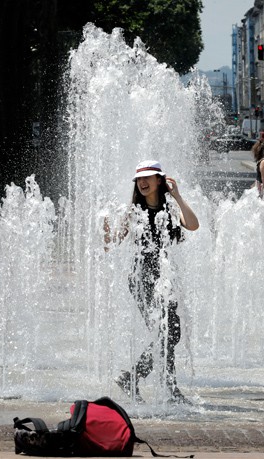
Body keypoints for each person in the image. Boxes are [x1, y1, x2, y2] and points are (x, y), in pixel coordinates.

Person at [105, 160, 199, 404]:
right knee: (167, 332)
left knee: (169, 333)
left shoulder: (169, 207)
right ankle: (166, 389)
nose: (143, 182)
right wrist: (105, 229)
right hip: (142, 278)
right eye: (139, 179)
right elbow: (112, 242)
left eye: (148, 177)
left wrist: (177, 196)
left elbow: (193, 225)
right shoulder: (134, 211)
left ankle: (148, 383)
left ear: (160, 180)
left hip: (164, 279)